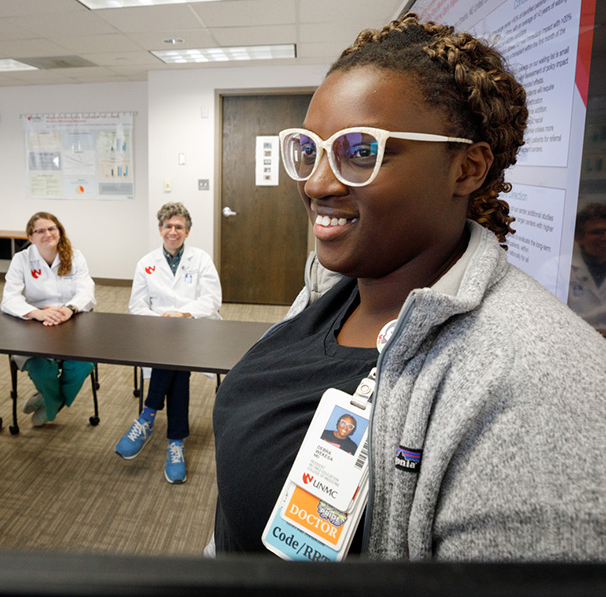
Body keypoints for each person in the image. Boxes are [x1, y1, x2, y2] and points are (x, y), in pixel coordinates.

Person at [212, 14, 606, 560]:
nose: (317, 183)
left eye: (361, 152)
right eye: (310, 150)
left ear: (466, 168)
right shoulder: (339, 289)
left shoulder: (537, 382)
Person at [114, 202, 221, 484]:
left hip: (194, 327)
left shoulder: (201, 259)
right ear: (160, 229)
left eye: (178, 227)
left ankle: (147, 416)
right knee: (176, 364)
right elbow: (136, 306)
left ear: (187, 231)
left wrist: (183, 313)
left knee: (175, 356)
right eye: (167, 226)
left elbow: (212, 300)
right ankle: (175, 442)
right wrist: (163, 319)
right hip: (158, 331)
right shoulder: (146, 262)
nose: (173, 231)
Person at [0, 212, 96, 427]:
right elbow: (8, 299)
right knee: (42, 370)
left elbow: (87, 292)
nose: (47, 234)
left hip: (72, 322)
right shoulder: (21, 260)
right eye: (40, 231)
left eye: (52, 229)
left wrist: (70, 309)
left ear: (59, 232)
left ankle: (48, 403)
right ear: (30, 237)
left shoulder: (75, 256)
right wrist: (37, 313)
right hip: (36, 324)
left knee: (84, 365)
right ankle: (53, 405)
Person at [568, 202, 606, 335]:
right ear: (579, 237)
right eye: (597, 232)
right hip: (576, 339)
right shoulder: (558, 268)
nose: (604, 238)